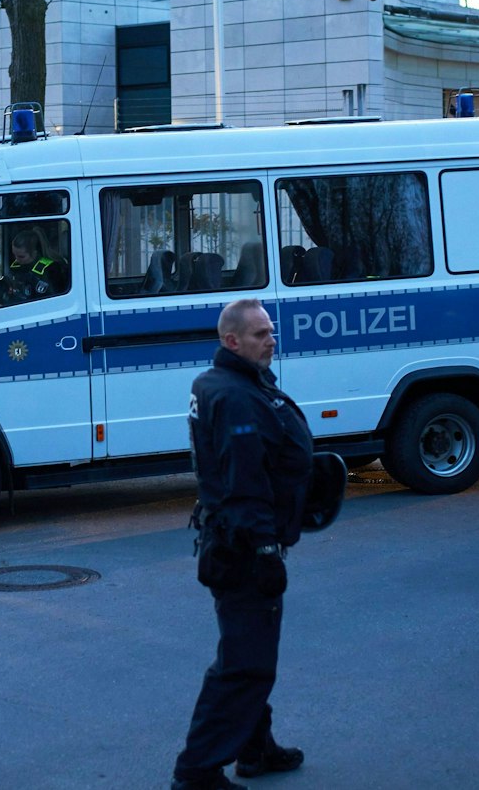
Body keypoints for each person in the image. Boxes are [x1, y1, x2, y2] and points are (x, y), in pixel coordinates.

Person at [170, 299, 311, 790]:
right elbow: (244, 483)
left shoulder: (234, 382)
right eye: (259, 335)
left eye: (271, 332)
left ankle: (255, 749)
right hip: (244, 547)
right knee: (244, 663)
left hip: (234, 539)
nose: (271, 340)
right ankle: (197, 771)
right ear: (232, 341)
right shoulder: (234, 396)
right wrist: (267, 551)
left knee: (250, 649)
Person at [0, 228, 70, 306]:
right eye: (14, 255)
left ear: (35, 253)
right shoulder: (16, 266)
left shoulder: (50, 269)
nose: (17, 259)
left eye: (21, 256)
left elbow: (49, 301)